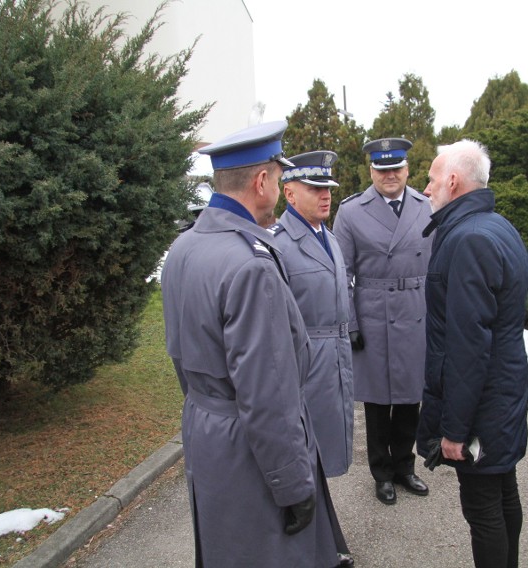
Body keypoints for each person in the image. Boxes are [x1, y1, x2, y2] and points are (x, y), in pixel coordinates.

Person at [161, 121, 350, 568]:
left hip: (207, 433)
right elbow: (268, 396)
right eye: (278, 175)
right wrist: (293, 486)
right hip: (252, 452)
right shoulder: (251, 265)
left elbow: (179, 358)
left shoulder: (184, 248)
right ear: (263, 181)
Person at [416, 139, 528, 568]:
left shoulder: (469, 239)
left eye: (430, 179)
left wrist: (455, 431)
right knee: (502, 492)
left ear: (452, 180)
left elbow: (468, 346)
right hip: (500, 394)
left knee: (484, 506)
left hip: (484, 402)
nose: (426, 189)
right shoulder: (496, 226)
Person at [332, 137, 433, 505]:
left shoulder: (426, 206)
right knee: (377, 401)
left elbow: (438, 268)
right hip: (373, 311)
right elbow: (341, 273)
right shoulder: (352, 211)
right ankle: (382, 472)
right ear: (370, 171)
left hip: (416, 309)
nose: (389, 175)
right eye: (382, 169)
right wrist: (351, 323)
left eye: (396, 168)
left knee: (410, 395)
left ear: (407, 170)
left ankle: (405, 466)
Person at [270, 150, 354, 479]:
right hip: (305, 364)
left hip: (335, 359)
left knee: (328, 452)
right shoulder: (279, 245)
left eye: (328, 188)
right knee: (303, 453)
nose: (326, 195)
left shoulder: (329, 238)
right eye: (315, 189)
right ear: (289, 193)